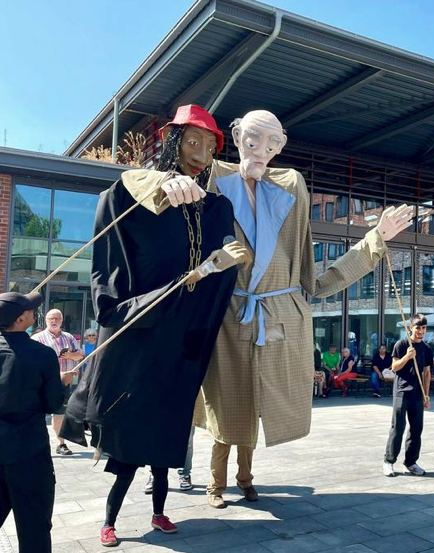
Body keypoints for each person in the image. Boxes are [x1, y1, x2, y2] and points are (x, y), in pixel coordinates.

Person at [191, 109, 414, 509]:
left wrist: (376, 237)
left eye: (272, 144)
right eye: (254, 141)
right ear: (237, 137)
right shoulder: (210, 177)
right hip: (229, 318)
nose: (262, 151)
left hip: (278, 319)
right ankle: (214, 484)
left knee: (256, 408)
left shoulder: (291, 187)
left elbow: (318, 280)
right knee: (227, 409)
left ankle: (246, 478)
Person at [60, 104, 249, 546]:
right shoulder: (132, 193)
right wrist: (159, 185)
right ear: (173, 141)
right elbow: (115, 263)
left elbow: (227, 261)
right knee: (128, 445)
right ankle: (109, 522)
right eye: (192, 140)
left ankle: (160, 512)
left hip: (182, 339)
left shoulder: (217, 207)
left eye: (209, 144)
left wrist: (224, 264)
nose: (200, 151)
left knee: (167, 439)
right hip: (141, 331)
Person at [0, 291, 73, 553]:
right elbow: (52, 404)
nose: (35, 313)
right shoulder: (41, 354)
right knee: (34, 529)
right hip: (27, 452)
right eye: (31, 310)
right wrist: (62, 382)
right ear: (21, 319)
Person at [31, 309, 84, 456]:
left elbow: (80, 355)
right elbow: (31, 360)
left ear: (61, 321)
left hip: (64, 382)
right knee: (38, 412)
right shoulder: (37, 338)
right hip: (42, 382)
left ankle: (61, 444)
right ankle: (36, 443)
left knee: (59, 412)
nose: (54, 321)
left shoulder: (69, 337)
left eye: (57, 319)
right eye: (51, 318)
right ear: (46, 320)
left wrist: (70, 355)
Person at [384, 313, 431, 477]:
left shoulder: (426, 348)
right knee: (398, 427)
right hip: (401, 392)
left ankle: (410, 462)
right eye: (418, 327)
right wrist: (407, 356)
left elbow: (426, 373)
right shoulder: (401, 344)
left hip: (418, 394)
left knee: (417, 428)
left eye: (423, 328)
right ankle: (389, 462)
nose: (421, 331)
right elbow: (394, 367)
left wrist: (427, 395)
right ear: (411, 328)